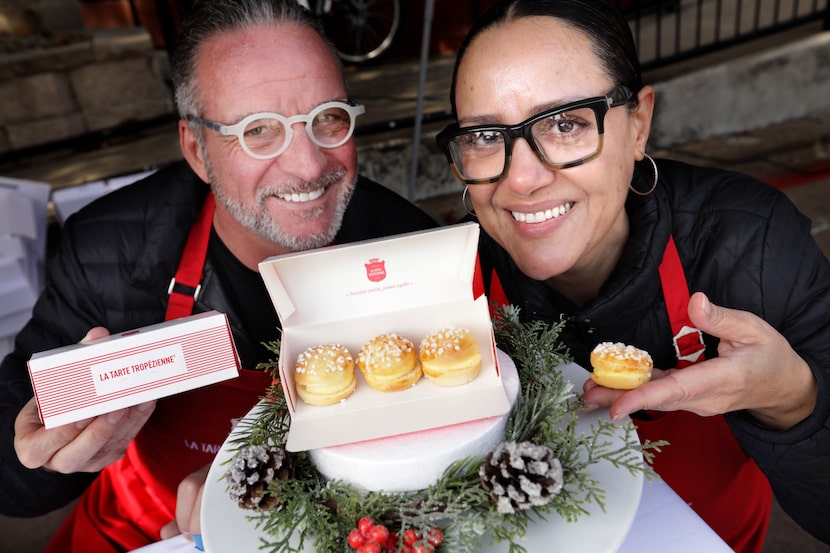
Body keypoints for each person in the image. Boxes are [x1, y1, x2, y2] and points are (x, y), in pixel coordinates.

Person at [0, 1, 437, 551]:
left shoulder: (409, 248)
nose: (308, 165)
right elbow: (14, 457)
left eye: (327, 116)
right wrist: (44, 458)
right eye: (259, 130)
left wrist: (307, 486)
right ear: (197, 150)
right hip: (142, 529)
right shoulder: (110, 249)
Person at [435, 1, 830, 551]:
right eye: (483, 137)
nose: (522, 178)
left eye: (566, 123)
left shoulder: (747, 245)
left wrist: (792, 401)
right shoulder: (449, 282)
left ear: (638, 124)